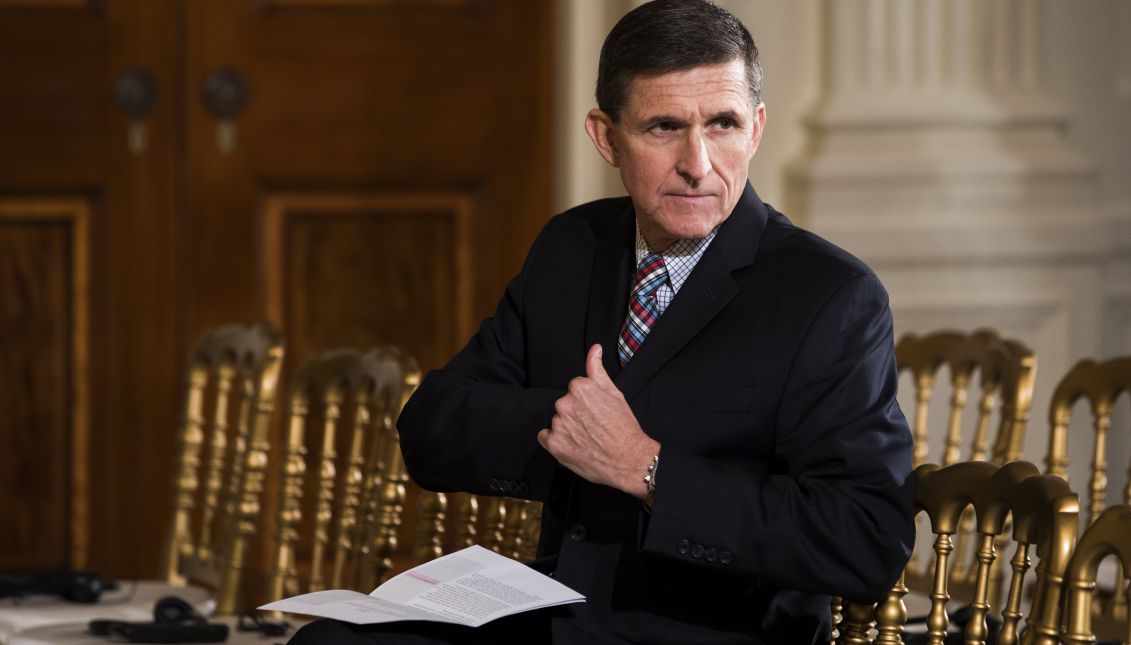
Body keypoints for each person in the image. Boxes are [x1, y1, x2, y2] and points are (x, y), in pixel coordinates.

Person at [288, 1, 914, 643]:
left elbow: (865, 539)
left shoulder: (830, 294)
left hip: (710, 630)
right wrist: (572, 433)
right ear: (606, 137)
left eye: (722, 124)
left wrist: (646, 466)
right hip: (552, 610)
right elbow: (432, 428)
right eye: (664, 127)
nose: (698, 162)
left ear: (755, 129)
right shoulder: (573, 246)